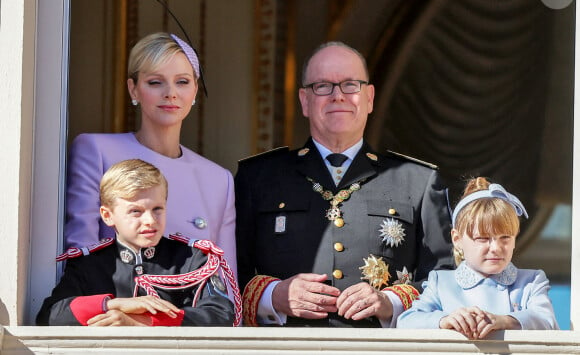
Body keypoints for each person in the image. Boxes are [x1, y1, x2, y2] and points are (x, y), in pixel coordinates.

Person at [235, 41, 454, 327]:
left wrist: (390, 302)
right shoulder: (258, 177)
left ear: (370, 98)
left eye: (350, 85)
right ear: (304, 100)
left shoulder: (418, 181)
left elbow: (445, 281)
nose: (338, 96)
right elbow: (225, 274)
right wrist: (273, 296)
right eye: (323, 86)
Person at [64, 32, 237, 289]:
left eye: (182, 81)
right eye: (156, 82)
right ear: (133, 88)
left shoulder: (217, 179)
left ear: (195, 90)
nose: (170, 93)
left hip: (190, 323)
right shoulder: (96, 150)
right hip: (115, 316)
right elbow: (81, 255)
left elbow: (226, 281)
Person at [37, 159, 240, 326]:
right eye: (136, 211)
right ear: (107, 215)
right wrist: (114, 305)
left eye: (157, 209)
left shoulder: (191, 259)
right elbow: (50, 316)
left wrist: (143, 321)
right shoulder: (89, 264)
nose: (150, 220)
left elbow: (221, 315)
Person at [397, 177, 558, 338]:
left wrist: (505, 321)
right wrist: (444, 320)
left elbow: (547, 321)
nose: (496, 248)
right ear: (457, 239)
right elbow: (406, 321)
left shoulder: (531, 281)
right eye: (483, 238)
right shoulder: (441, 282)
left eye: (505, 238)